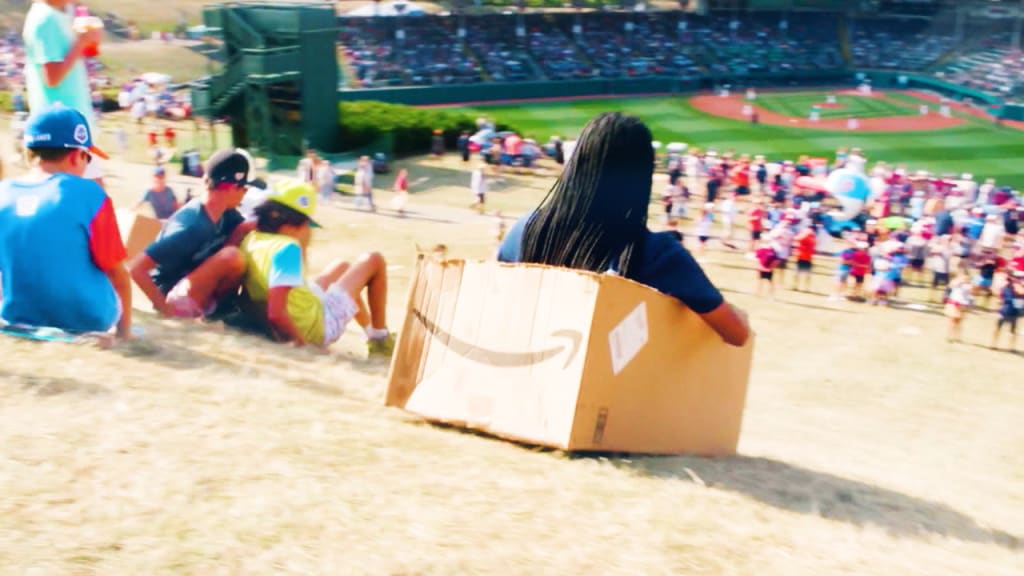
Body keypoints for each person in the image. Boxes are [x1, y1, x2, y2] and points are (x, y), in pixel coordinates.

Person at [497, 113, 749, 347]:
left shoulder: (526, 227)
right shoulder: (657, 254)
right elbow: (736, 334)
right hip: (608, 387)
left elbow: (495, 295)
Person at [0, 105, 131, 338]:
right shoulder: (90, 194)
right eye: (87, 158)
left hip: (18, 314)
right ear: (75, 156)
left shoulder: (4, 192)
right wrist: (124, 333)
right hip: (87, 319)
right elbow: (117, 274)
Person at [238, 179, 394, 356]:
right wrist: (304, 347)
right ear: (294, 222)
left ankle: (369, 333)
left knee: (342, 266)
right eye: (307, 224)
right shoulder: (288, 250)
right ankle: (381, 340)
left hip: (302, 308)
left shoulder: (252, 240)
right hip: (317, 327)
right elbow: (276, 313)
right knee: (373, 259)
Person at [129, 150, 253, 318]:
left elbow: (245, 227)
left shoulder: (224, 214)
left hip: (191, 285)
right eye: (244, 188)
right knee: (232, 257)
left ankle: (224, 310)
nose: (245, 194)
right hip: (173, 294)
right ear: (230, 187)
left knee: (241, 245)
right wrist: (165, 309)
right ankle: (217, 312)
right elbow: (137, 268)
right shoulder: (192, 226)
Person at [23, 0, 105, 188]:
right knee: (94, 199)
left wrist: (88, 40)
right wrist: (80, 43)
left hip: (69, 124)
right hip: (61, 130)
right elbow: (52, 77)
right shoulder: (44, 20)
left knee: (93, 199)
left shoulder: (60, 12)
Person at [991, 272, 1023, 351]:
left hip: (1011, 310)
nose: (1019, 279)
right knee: (1000, 328)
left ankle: (1009, 347)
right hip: (1006, 309)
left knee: (1011, 329)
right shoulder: (1009, 287)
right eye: (1018, 278)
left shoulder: (1011, 287)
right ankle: (994, 344)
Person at [793, 224, 817, 292]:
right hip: (801, 257)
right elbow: (796, 239)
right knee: (797, 273)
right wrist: (805, 234)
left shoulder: (813, 237)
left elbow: (815, 244)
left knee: (807, 275)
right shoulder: (803, 235)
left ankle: (806, 288)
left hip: (808, 258)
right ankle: (795, 286)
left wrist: (807, 234)